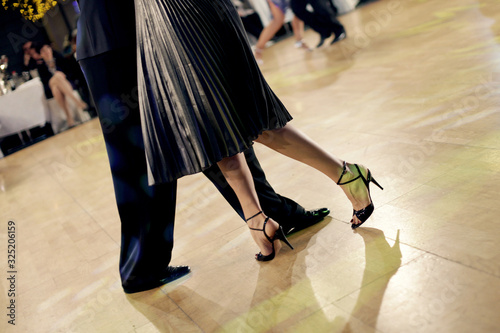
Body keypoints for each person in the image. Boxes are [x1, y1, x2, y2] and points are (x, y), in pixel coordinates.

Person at [76, 0, 330, 293]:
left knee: (209, 125)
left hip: (141, 33)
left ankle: (273, 214)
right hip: (117, 42)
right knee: (144, 155)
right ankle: (141, 268)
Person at [134, 0, 382, 261]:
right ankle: (259, 218)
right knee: (213, 124)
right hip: (155, 23)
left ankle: (342, 174)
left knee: (247, 118)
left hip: (187, 14)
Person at [30, 42, 87, 128]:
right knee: (56, 77)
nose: (47, 52)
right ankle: (79, 103)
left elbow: (69, 73)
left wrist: (61, 75)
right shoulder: (41, 66)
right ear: (41, 54)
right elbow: (45, 81)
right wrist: (57, 75)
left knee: (56, 88)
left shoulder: (59, 58)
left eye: (48, 48)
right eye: (43, 51)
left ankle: (69, 119)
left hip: (65, 83)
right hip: (50, 86)